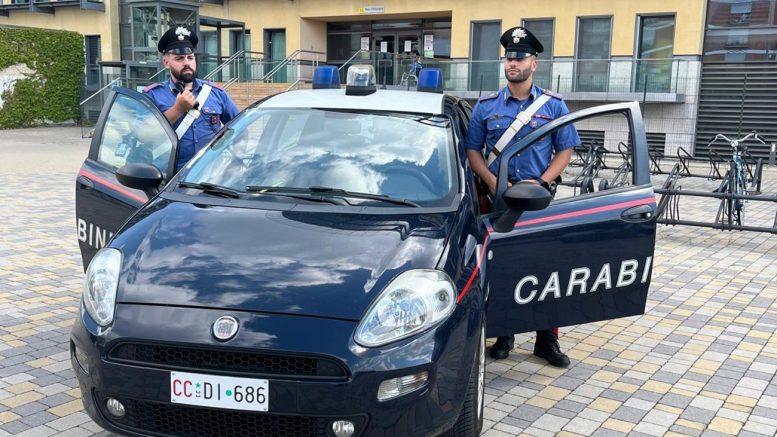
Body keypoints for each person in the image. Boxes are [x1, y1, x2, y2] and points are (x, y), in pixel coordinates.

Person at [462, 26, 581, 367]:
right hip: (498, 199)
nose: (512, 63)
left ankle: (547, 339)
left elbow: (565, 150)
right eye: (508, 58)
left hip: (537, 199)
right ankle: (505, 334)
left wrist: (542, 182)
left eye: (519, 58)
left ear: (534, 63)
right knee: (502, 266)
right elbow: (473, 150)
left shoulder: (554, 106)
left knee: (545, 268)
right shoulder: (486, 106)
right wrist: (493, 182)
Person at [144, 26, 240, 171]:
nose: (186, 63)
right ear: (166, 63)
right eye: (179, 58)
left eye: (190, 57)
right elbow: (144, 135)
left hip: (209, 175)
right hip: (169, 177)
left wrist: (235, 161)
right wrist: (177, 109)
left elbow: (239, 128)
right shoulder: (153, 95)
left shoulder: (216, 93)